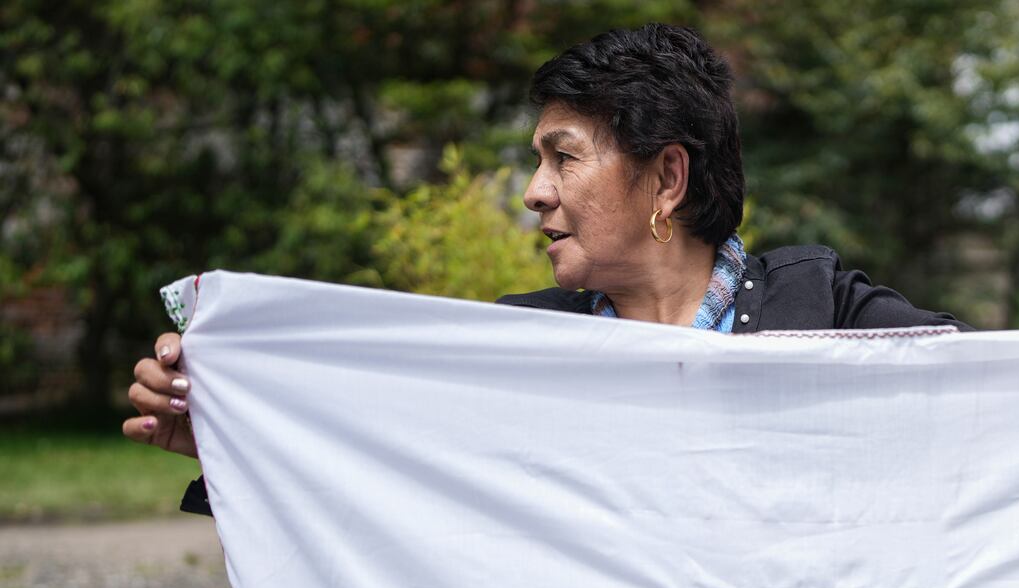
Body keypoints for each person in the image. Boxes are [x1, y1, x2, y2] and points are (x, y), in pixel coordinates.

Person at [121, 24, 971, 503]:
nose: (533, 191)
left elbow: (1004, 416)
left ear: (666, 177)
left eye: (563, 158)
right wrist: (230, 438)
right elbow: (382, 478)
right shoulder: (518, 347)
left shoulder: (819, 310)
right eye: (538, 161)